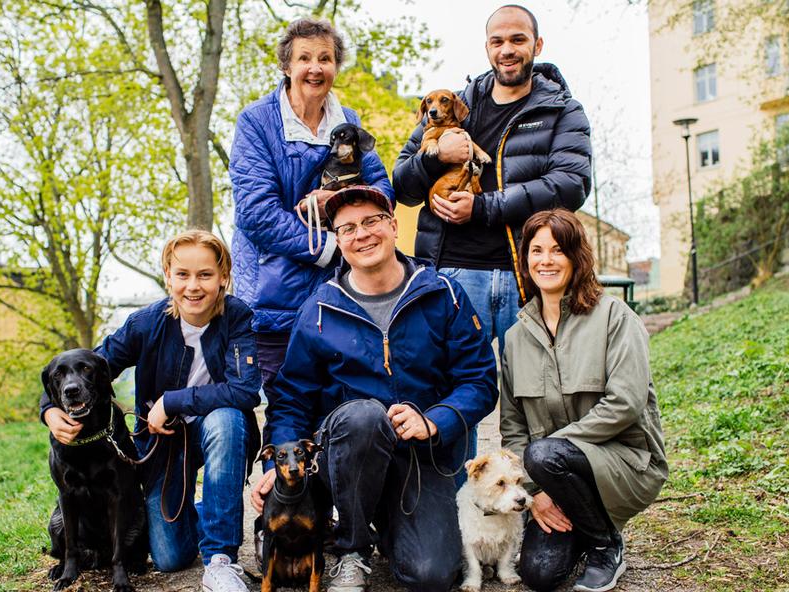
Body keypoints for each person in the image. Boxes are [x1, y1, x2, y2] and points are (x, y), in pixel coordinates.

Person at [251, 186, 497, 592]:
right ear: (338, 240)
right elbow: (289, 398)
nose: (361, 234)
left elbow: (480, 379)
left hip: (420, 459)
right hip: (347, 456)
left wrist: (434, 420)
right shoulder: (319, 310)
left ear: (393, 226)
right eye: (347, 228)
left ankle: (389, 525)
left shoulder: (443, 294)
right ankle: (352, 550)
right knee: (364, 415)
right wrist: (273, 467)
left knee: (431, 575)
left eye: (371, 221)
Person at [42, 230, 260, 592]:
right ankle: (207, 514)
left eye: (205, 275)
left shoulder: (237, 317)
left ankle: (222, 559)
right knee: (169, 557)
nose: (193, 286)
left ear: (224, 277)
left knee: (226, 418)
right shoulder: (148, 321)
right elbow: (91, 367)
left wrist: (171, 401)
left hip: (220, 431)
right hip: (164, 445)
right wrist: (49, 408)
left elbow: (245, 389)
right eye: (183, 275)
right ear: (168, 277)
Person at [392, 4, 592, 355]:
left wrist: (483, 208)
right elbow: (403, 187)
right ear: (487, 48)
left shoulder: (563, 109)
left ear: (538, 45)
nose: (507, 50)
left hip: (528, 277)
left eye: (518, 39)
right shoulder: (454, 107)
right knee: (452, 393)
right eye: (497, 41)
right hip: (454, 275)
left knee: (539, 393)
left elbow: (571, 184)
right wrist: (437, 156)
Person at [499, 209, 667, 592]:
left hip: (626, 461)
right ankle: (584, 528)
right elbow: (512, 426)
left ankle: (607, 546)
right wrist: (536, 493)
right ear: (525, 260)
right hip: (553, 473)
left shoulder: (614, 317)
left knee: (544, 453)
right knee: (539, 575)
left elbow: (626, 402)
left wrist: (548, 453)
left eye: (558, 250)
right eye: (536, 250)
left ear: (577, 257)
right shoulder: (514, 338)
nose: (545, 260)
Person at [229, 17, 394, 407]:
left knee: (336, 412)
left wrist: (338, 197)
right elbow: (256, 213)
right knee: (287, 414)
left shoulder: (347, 121)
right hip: (274, 297)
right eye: (305, 58)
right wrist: (333, 247)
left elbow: (382, 191)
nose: (315, 68)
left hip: (338, 295)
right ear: (287, 66)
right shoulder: (257, 122)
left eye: (326, 58)